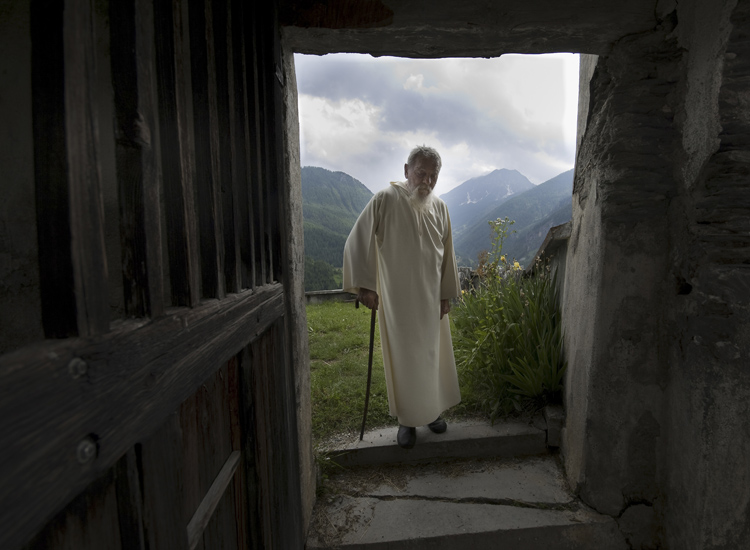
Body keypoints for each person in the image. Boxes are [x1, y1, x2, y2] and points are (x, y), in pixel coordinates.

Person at [343, 145, 461, 449]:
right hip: (398, 300)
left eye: (433, 175)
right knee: (405, 358)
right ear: (406, 170)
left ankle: (432, 413)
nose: (427, 181)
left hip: (431, 299)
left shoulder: (440, 207)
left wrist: (446, 294)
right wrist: (367, 286)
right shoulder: (385, 199)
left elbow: (448, 254)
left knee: (431, 357)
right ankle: (408, 420)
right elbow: (358, 240)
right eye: (421, 172)